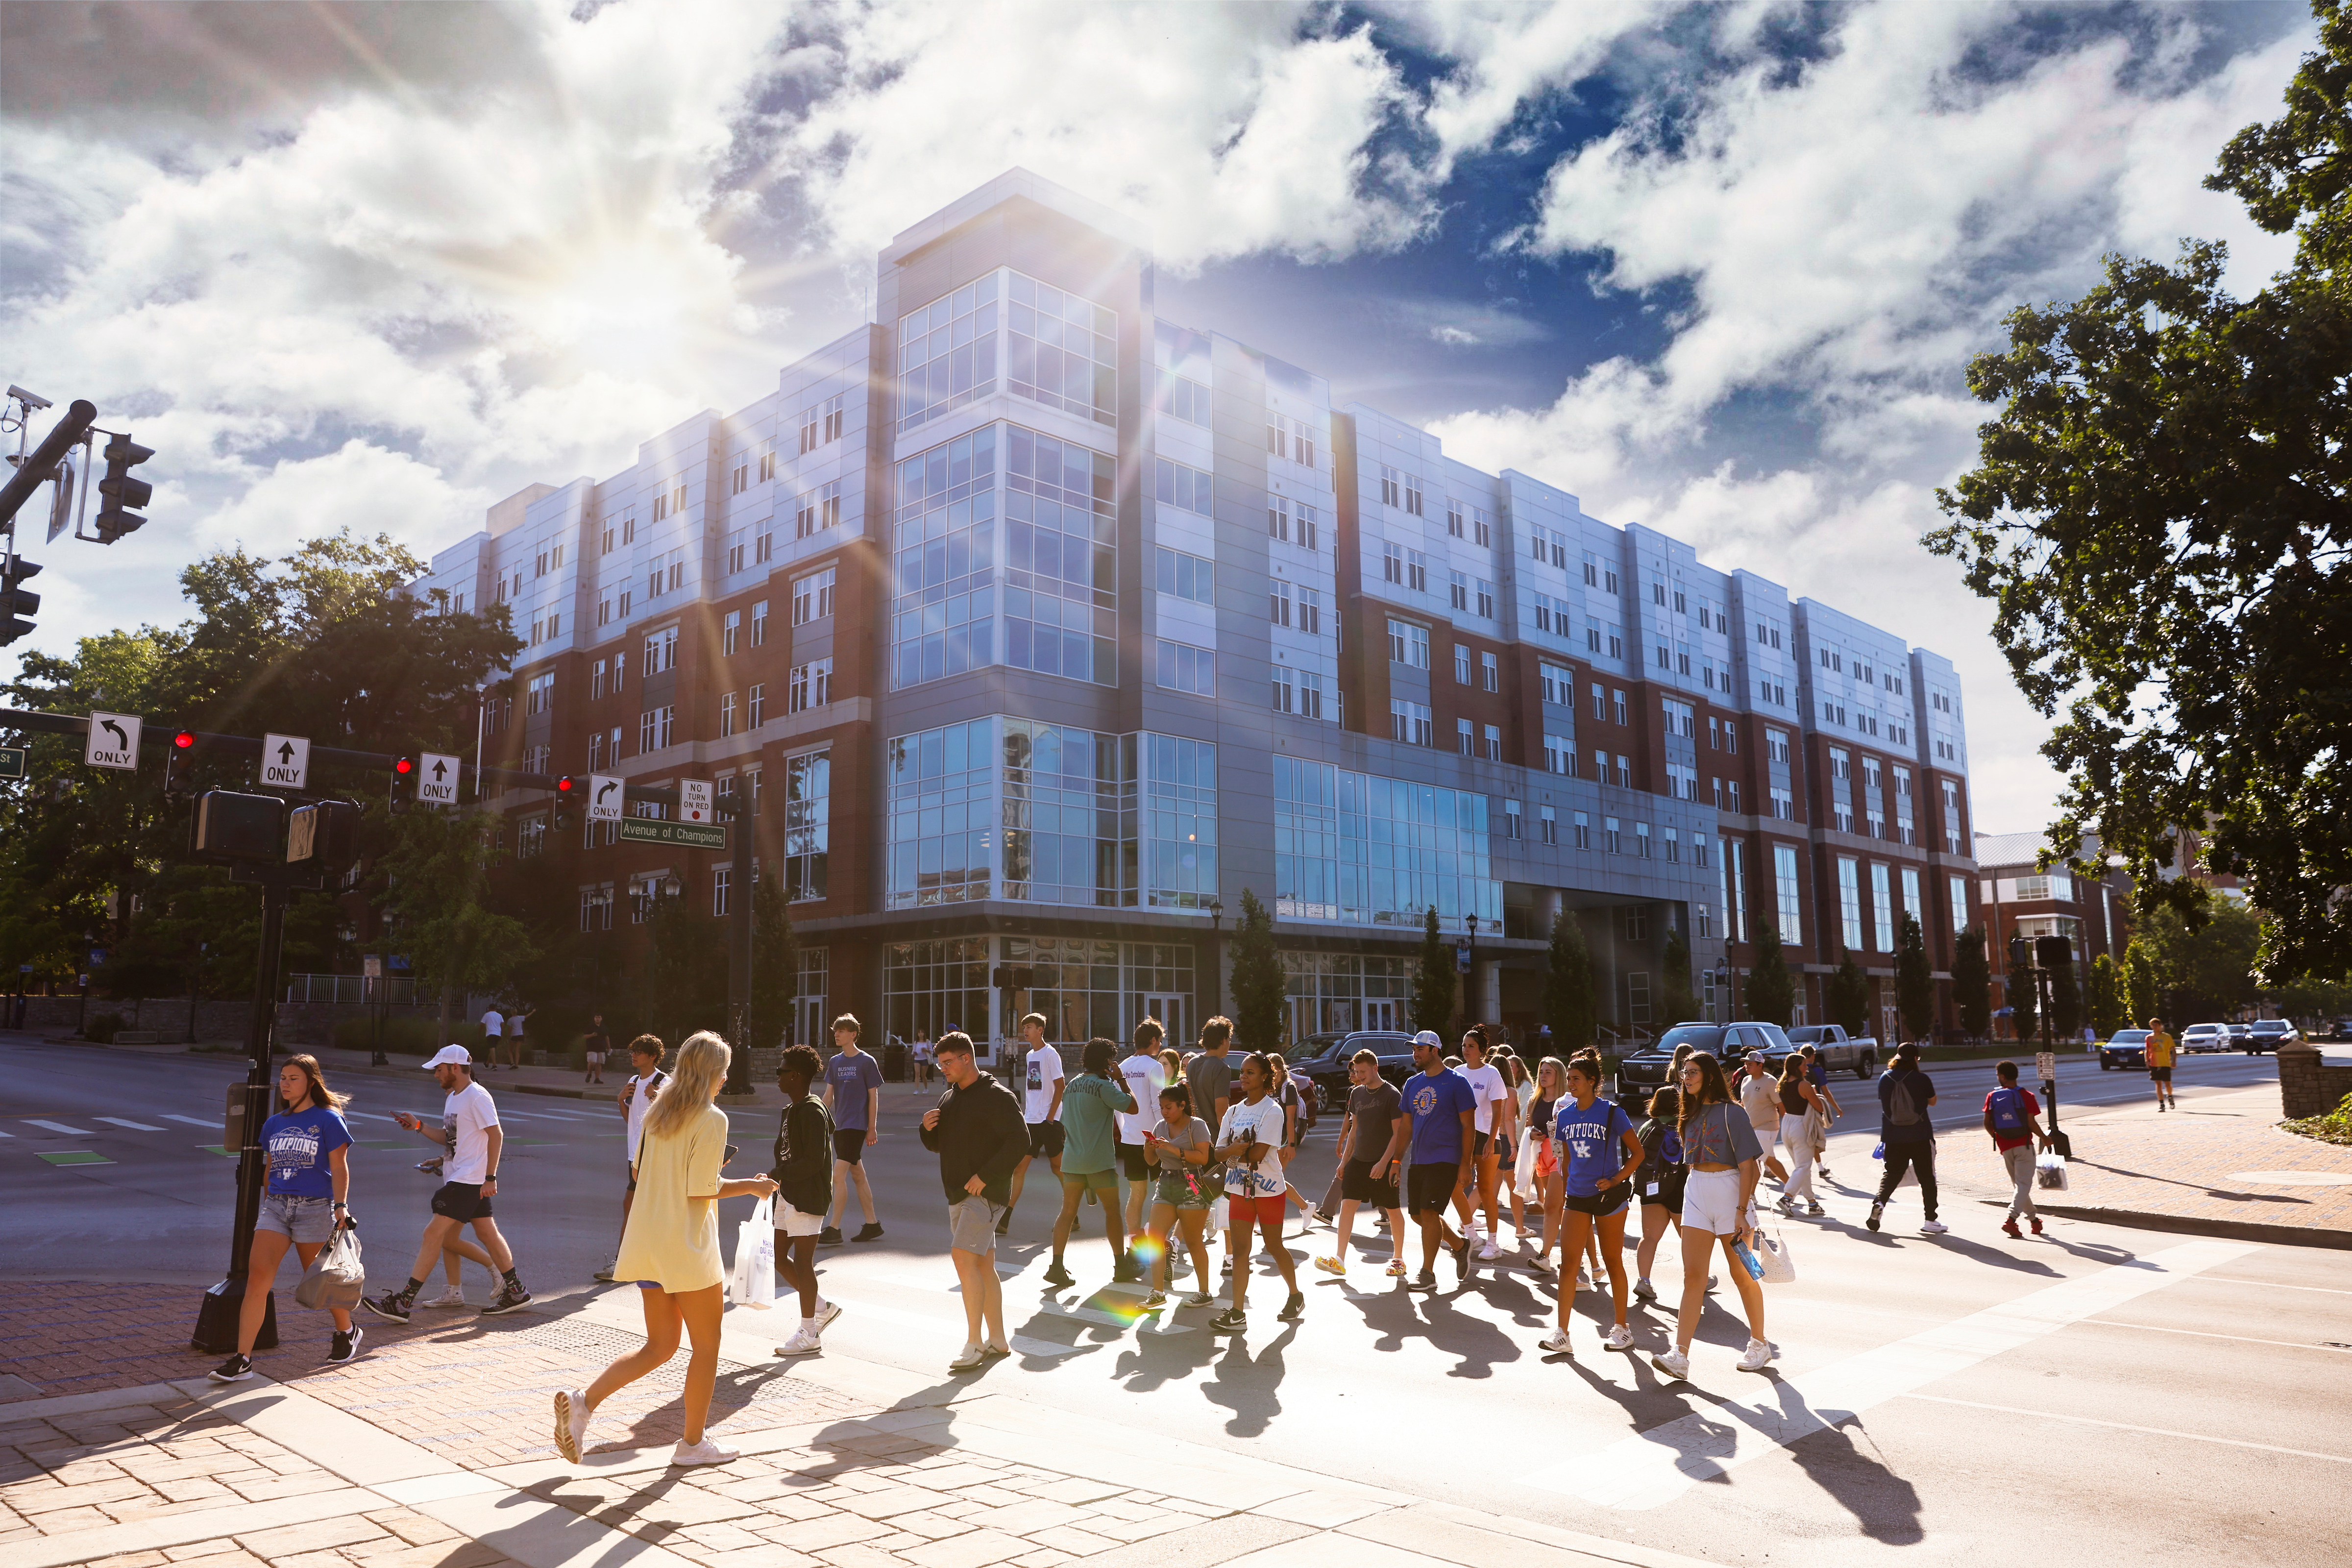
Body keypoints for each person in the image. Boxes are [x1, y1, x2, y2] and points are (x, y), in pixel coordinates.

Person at [553, 1032, 777, 1470]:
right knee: (707, 1348)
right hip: (687, 1247)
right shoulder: (712, 1119)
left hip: (649, 1242)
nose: (727, 1078)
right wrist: (753, 1185)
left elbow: (642, 1170)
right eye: (725, 1070)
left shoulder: (658, 1112)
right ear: (712, 1073)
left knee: (658, 1346)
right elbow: (700, 1190)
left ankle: (583, 1404)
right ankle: (692, 1444)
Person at [209, 1055, 362, 1382]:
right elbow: (269, 1170)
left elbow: (338, 1167)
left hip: (314, 1207)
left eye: (294, 1078)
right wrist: (269, 1205)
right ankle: (243, 1359)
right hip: (277, 1208)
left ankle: (346, 1331)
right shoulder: (273, 1123)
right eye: (283, 1078)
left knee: (321, 1280)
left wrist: (341, 1206)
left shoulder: (328, 1120)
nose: (286, 1083)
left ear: (311, 1082)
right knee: (257, 1282)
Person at [363, 1046, 530, 1323]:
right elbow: (452, 1138)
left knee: (433, 1235)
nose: (436, 1075)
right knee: (480, 1235)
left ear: (454, 1067)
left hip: (470, 1179)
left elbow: (496, 1134)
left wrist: (491, 1177)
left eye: (439, 1069)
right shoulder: (454, 1097)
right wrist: (422, 1132)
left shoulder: (477, 1096)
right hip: (460, 1174)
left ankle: (403, 1302)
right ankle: (516, 1292)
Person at [1652, 1052, 1773, 1379]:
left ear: (1709, 1076)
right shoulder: (1688, 1113)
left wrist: (1741, 1211)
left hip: (1730, 1193)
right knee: (1693, 1277)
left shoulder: (1733, 1112)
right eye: (1683, 1073)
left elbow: (1751, 1166)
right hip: (1696, 1192)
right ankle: (1680, 1356)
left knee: (1744, 1274)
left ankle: (1760, 1344)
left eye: (1692, 1072)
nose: (1685, 1078)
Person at [919, 1031, 1029, 1370]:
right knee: (983, 1265)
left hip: (985, 1193)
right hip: (957, 1193)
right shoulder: (950, 1098)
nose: (944, 1070)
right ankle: (997, 1340)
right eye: (941, 1065)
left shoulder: (998, 1096)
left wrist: (986, 1176)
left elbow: (1020, 1141)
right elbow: (939, 1145)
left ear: (967, 1058)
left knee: (962, 1257)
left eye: (949, 1063)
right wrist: (926, 1129)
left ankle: (974, 1343)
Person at [1539, 1056, 1644, 1356]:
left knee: (1612, 1261)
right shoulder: (1565, 1116)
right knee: (1569, 1263)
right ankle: (1562, 1333)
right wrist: (1566, 1180)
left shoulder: (1612, 1112)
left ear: (1592, 1082)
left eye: (1576, 1079)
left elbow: (1637, 1154)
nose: (1570, 1084)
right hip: (1577, 1197)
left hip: (1609, 1197)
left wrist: (1616, 1180)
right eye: (1569, 1078)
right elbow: (1564, 1155)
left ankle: (1622, 1328)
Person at [1208, 1052, 1302, 1331]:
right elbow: (1217, 1153)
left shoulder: (1272, 1111)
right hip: (1239, 1187)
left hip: (1269, 1188)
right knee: (1240, 1250)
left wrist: (1234, 1151)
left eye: (1250, 1072)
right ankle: (1237, 1312)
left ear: (1265, 1076)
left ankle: (1295, 1295)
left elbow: (1259, 1154)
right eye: (1243, 1072)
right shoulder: (1234, 1111)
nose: (1244, 1076)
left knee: (1274, 1246)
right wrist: (1235, 1151)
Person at [1045, 1038, 1138, 1287]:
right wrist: (1120, 1079)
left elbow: (1066, 1121)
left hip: (1072, 1160)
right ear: (1107, 1062)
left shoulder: (1072, 1085)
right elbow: (1133, 1107)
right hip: (1099, 1161)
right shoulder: (1104, 1087)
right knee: (1112, 1212)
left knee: (1067, 1212)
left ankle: (1056, 1266)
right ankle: (1121, 1265)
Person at [1314, 1048, 1408, 1279]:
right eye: (1356, 1071)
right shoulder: (1357, 1094)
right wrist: (1345, 1162)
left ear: (1375, 1068)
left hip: (1382, 1163)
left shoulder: (1392, 1095)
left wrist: (1385, 1163)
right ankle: (1339, 1259)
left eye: (1363, 1071)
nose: (1359, 1075)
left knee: (1394, 1211)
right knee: (1347, 1207)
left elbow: (1398, 1134)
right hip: (1359, 1161)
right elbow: (1355, 1131)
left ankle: (1398, 1259)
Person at [771, 1044, 839, 1356]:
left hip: (807, 1196)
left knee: (803, 1262)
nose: (778, 1078)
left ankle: (810, 1332)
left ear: (796, 1075)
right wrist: (777, 1178)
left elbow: (814, 1161)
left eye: (781, 1072)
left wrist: (781, 1173)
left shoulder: (812, 1111)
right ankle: (822, 1307)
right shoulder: (793, 1110)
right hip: (789, 1192)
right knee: (779, 1255)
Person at [1400, 1030, 1478, 1290]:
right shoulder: (1412, 1084)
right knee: (1418, 1216)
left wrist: (1465, 1164)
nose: (1416, 1053)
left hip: (1446, 1157)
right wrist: (1395, 1161)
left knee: (1429, 1212)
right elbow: (1406, 1128)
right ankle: (1460, 1245)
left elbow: (1469, 1126)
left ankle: (1427, 1273)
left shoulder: (1457, 1082)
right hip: (1419, 1159)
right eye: (1414, 1049)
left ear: (1435, 1050)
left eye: (1420, 1049)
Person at [596, 1036, 668, 1282]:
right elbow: (632, 1121)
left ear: (652, 1056)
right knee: (638, 1208)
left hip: (651, 1155)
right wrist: (620, 1100)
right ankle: (640, 1260)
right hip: (634, 1154)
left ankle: (623, 1262)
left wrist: (656, 1096)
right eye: (633, 1051)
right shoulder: (633, 1082)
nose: (634, 1056)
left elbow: (668, 1121)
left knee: (632, 1206)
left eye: (639, 1052)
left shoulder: (663, 1083)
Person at [1140, 1082, 1216, 1308]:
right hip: (1166, 1183)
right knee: (1154, 1239)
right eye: (1162, 1107)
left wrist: (1172, 1148)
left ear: (1182, 1106)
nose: (1165, 1112)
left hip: (1191, 1183)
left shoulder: (1197, 1126)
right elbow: (1151, 1162)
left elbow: (1202, 1158)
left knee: (1193, 1242)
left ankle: (1204, 1291)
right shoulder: (1160, 1127)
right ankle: (1157, 1292)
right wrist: (1149, 1147)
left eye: (1169, 1107)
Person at [819, 1014, 885, 1245]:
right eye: (836, 1031)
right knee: (858, 1175)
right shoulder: (835, 1062)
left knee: (838, 1175)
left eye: (842, 1031)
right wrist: (816, 1115)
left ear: (853, 1034)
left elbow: (873, 1096)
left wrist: (872, 1128)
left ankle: (834, 1228)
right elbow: (829, 1096)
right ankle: (872, 1225)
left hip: (857, 1126)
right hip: (841, 1126)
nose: (836, 1034)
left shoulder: (866, 1062)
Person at [1868, 1045, 1945, 1235]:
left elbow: (1885, 1104)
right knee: (1927, 1177)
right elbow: (1933, 1101)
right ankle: (1930, 1220)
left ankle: (1879, 1202)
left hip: (1893, 1136)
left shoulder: (1884, 1079)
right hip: (1920, 1135)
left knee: (1892, 1174)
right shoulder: (1921, 1078)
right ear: (1915, 1059)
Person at [1004, 1012, 1065, 1235]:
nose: (1025, 1031)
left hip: (1049, 1122)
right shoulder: (1030, 1055)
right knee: (1019, 1168)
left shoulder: (1051, 1054)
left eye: (1029, 1027)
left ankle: (1072, 1212)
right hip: (1031, 1121)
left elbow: (1060, 1086)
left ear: (1040, 1029)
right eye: (1024, 1028)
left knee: (1058, 1168)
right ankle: (1005, 1218)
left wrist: (1050, 1117)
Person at [1453, 1030, 1513, 1259]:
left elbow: (1499, 1110)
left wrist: (1491, 1140)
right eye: (1464, 1045)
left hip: (1485, 1137)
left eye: (1471, 1046)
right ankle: (1472, 1235)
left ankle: (1493, 1244)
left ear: (1481, 1050)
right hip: (1461, 1137)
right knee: (1455, 1185)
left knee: (1486, 1190)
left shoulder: (1492, 1073)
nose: (1466, 1049)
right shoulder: (1457, 1072)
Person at [1631, 1084, 1686, 1302]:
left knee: (1649, 1238)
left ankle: (1644, 1280)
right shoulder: (1683, 1126)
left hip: (1651, 1190)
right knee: (1689, 1239)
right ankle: (1698, 1278)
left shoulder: (1647, 1127)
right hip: (1679, 1189)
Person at [1984, 1060, 2051, 1239]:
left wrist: (1999, 1139)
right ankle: (2011, 1220)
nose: (1998, 1078)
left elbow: (1987, 1123)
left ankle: (2034, 1221)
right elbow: (2031, 1123)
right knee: (2023, 1185)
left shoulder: (1992, 1096)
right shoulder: (2027, 1095)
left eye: (1998, 1075)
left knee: (2019, 1186)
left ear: (2003, 1076)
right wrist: (2045, 1138)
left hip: (2005, 1147)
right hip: (2024, 1145)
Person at [1117, 1021, 1169, 1252]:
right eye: (1160, 1041)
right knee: (1164, 1192)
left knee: (1136, 1194)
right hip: (1153, 1141)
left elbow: (1119, 1106)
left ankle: (1133, 1245)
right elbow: (1159, 1106)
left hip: (1130, 1139)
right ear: (1153, 1041)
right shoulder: (1154, 1066)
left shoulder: (1123, 1066)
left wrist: (1125, 1129)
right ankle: (1157, 1239)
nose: (1160, 1045)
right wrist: (1166, 1134)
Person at [1521, 1056, 1565, 1270]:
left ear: (1558, 1075)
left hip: (1560, 1155)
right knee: (1559, 1210)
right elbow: (1528, 1127)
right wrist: (1532, 1134)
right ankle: (1579, 1253)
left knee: (1550, 1206)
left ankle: (1544, 1255)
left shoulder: (1567, 1100)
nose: (1543, 1076)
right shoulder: (1535, 1100)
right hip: (1541, 1156)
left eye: (1548, 1072)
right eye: (1541, 1072)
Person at [1772, 1055, 1828, 1218]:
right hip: (1801, 1124)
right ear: (1797, 1066)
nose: (1807, 1067)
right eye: (1804, 1065)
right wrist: (1815, 1093)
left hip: (1787, 1123)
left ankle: (1812, 1203)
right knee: (1803, 1167)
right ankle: (1787, 1198)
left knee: (1801, 1168)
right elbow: (1819, 1107)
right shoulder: (1804, 1085)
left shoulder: (1781, 1083)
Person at [1267, 1054, 1318, 1230]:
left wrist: (1291, 1145)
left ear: (1280, 1070)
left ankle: (1273, 1221)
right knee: (1273, 1180)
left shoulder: (1288, 1088)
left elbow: (1290, 1120)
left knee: (1273, 1180)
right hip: (1271, 1141)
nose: (1270, 1074)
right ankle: (1306, 1207)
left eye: (1273, 1070)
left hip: (1284, 1141)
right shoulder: (1272, 1087)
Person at [1738, 1051, 1788, 1187]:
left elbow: (1781, 1105)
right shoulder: (1746, 1081)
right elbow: (1744, 1104)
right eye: (1746, 1064)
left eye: (1751, 1064)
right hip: (1750, 1129)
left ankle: (1751, 1196)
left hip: (1767, 1127)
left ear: (1761, 1065)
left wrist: (1788, 1126)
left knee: (1753, 1161)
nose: (1747, 1067)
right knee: (1770, 1160)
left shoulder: (1770, 1082)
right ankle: (1791, 1187)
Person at [1799, 1044, 1840, 1180]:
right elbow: (1826, 1092)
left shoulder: (1794, 1071)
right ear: (1813, 1056)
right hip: (1812, 1109)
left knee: (1806, 1139)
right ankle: (1817, 1168)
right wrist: (1836, 1108)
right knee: (1814, 1138)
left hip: (1797, 1111)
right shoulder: (1817, 1071)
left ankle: (1819, 1168)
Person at [2146, 1016, 2178, 1111]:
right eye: (2153, 1025)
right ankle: (2162, 1104)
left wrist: (2174, 1061)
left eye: (2156, 1025)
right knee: (2158, 1084)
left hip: (2165, 1063)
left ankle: (2170, 1096)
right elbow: (2147, 1050)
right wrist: (2147, 1061)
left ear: (2160, 1026)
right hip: (2154, 1064)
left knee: (2167, 1084)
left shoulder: (2167, 1037)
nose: (2155, 1027)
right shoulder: (2149, 1038)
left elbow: (2173, 1050)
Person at [583, 1014, 611, 1086]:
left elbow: (606, 1038)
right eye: (596, 1017)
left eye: (599, 1017)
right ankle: (589, 1074)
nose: (597, 1019)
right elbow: (585, 1036)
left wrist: (609, 1047)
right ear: (594, 1018)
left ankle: (597, 1079)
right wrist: (592, 1035)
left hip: (601, 1047)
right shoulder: (590, 1026)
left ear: (601, 1019)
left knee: (599, 1063)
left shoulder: (604, 1028)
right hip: (591, 1047)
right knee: (592, 1062)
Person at [479, 1003, 503, 1069]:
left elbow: (482, 1024)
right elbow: (503, 1024)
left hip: (490, 1033)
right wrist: (502, 1032)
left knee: (492, 1049)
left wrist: (479, 1032)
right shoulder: (499, 1016)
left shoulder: (487, 1015)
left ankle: (494, 1065)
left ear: (489, 1008)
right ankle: (487, 1063)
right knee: (493, 1049)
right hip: (498, 1034)